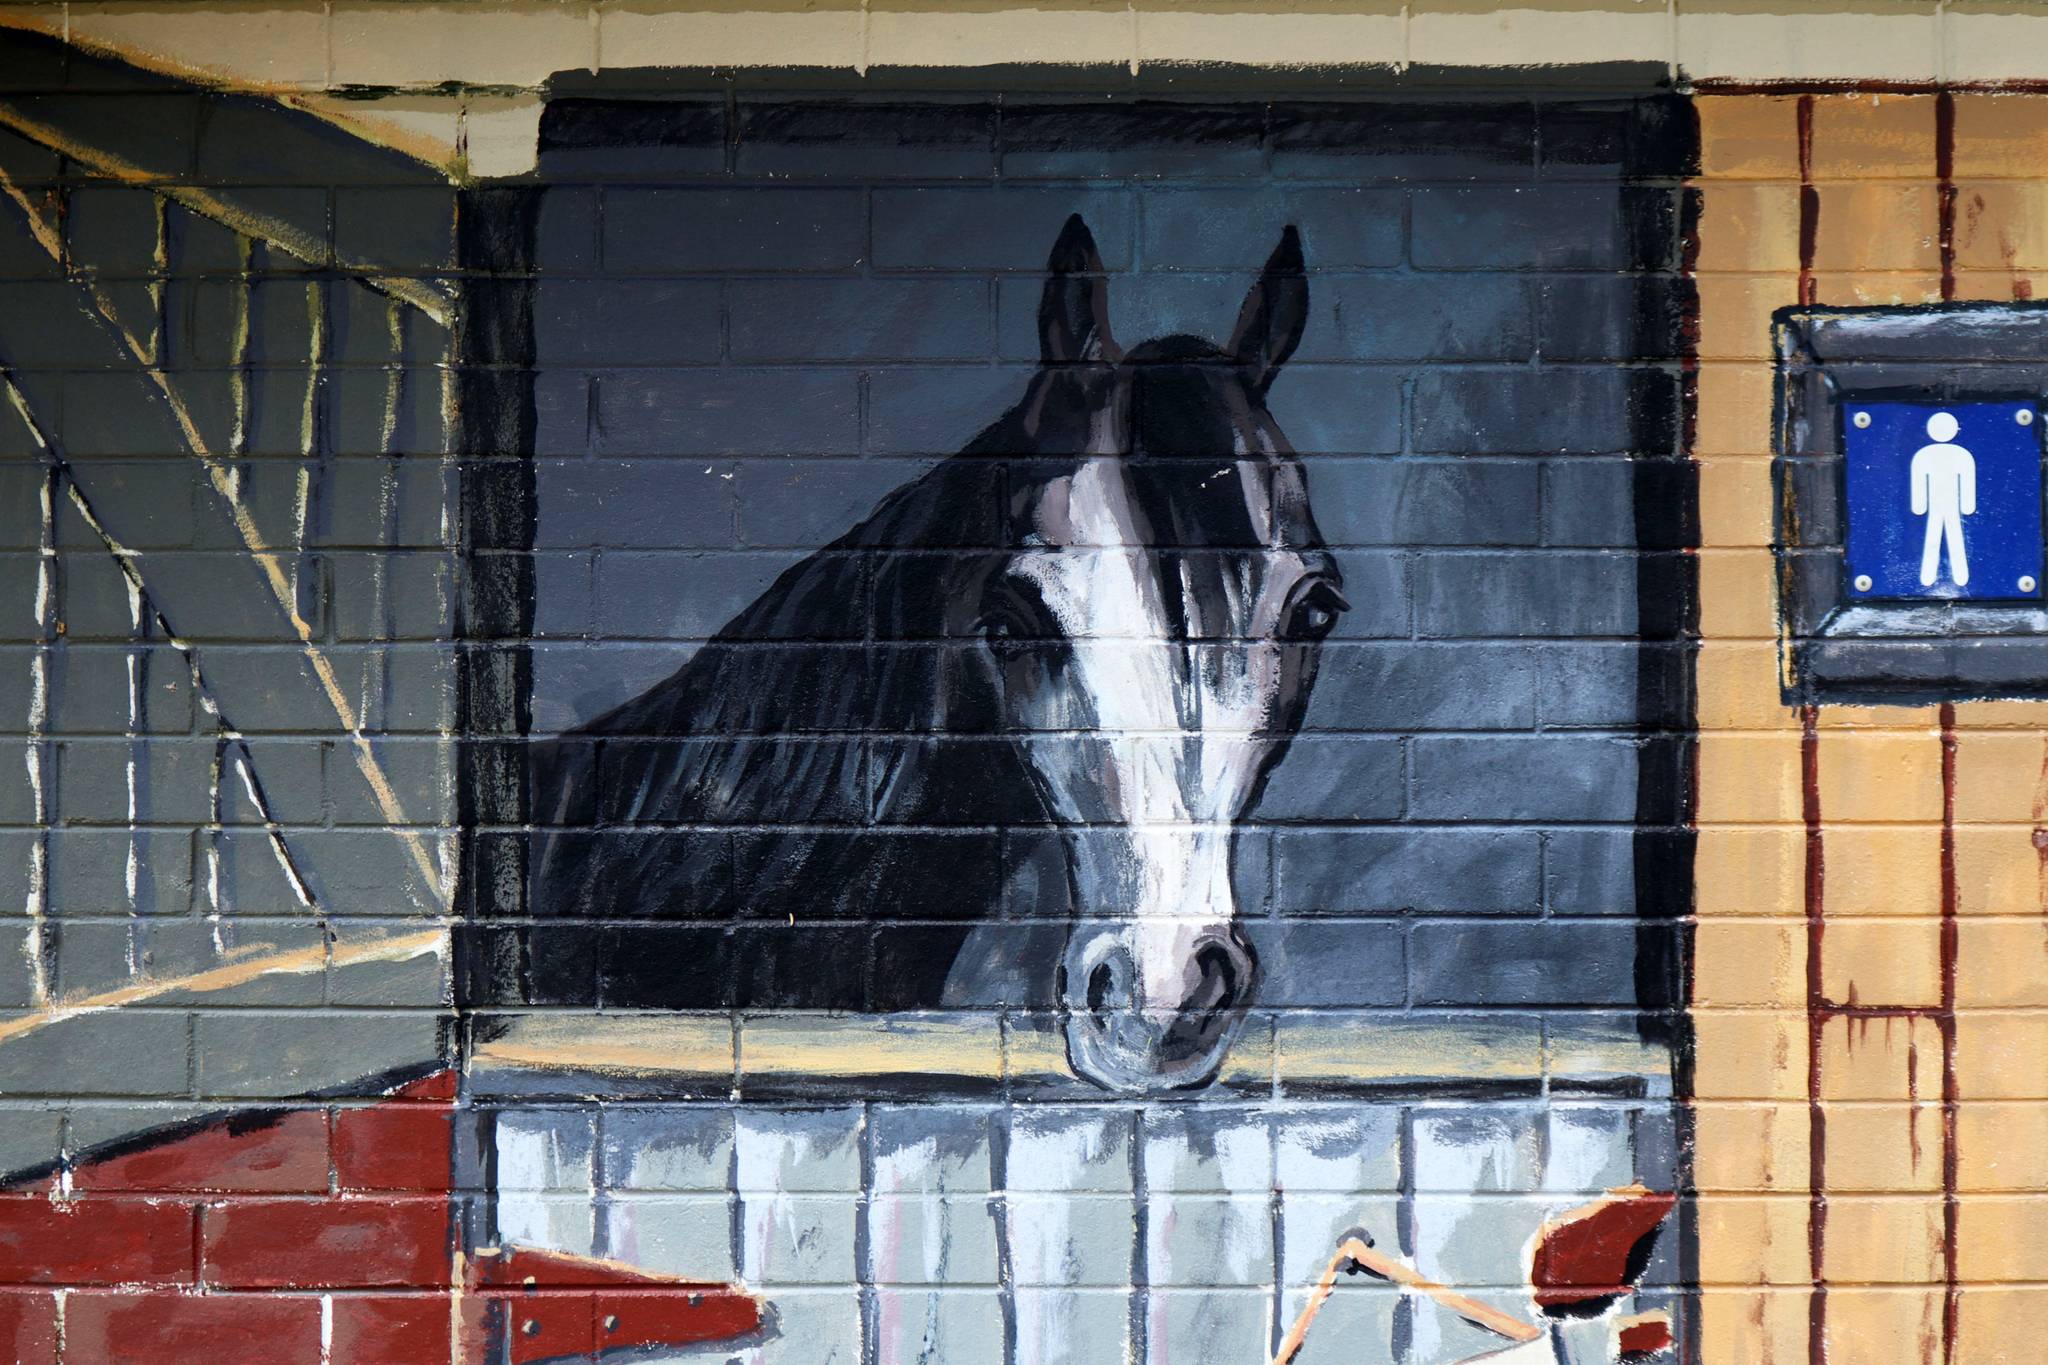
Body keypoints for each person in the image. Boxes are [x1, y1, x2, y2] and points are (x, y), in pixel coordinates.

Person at [1911, 410, 1976, 588]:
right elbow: (1967, 482)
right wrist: (1968, 506)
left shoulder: (1924, 455)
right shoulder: (1961, 454)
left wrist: (1919, 506)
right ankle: (1960, 577)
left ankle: (1928, 577)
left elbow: (1918, 483)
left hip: (1938, 504)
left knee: (1933, 536)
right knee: (1955, 536)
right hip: (1950, 504)